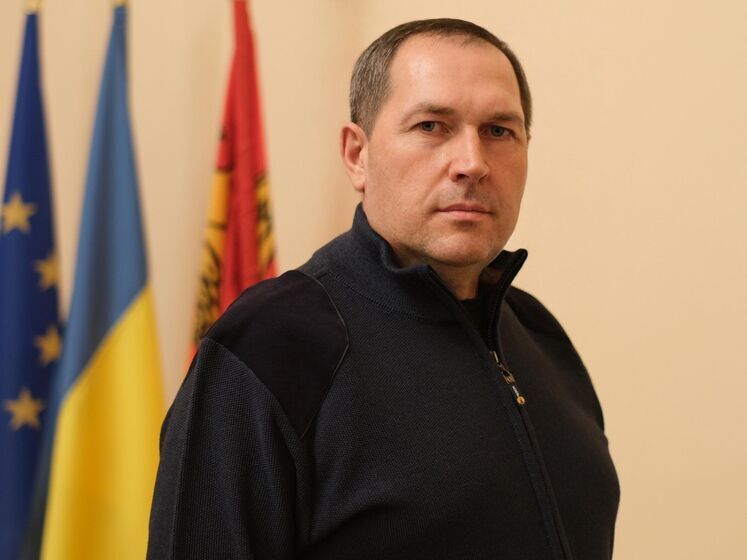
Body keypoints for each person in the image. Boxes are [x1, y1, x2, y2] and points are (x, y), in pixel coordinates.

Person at [147, 18, 619, 560]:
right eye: (431, 126)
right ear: (358, 154)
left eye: (498, 131)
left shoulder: (540, 335)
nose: (472, 163)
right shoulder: (269, 347)